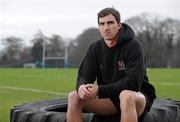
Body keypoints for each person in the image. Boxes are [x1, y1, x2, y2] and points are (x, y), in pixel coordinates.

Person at [67, 7, 156, 122]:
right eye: (102, 24)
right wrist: (81, 87)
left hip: (137, 97)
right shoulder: (95, 48)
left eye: (110, 23)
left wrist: (99, 90)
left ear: (119, 25)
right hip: (110, 99)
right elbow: (84, 75)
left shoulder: (134, 46)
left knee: (126, 95)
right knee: (73, 97)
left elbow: (132, 84)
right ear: (98, 27)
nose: (106, 28)